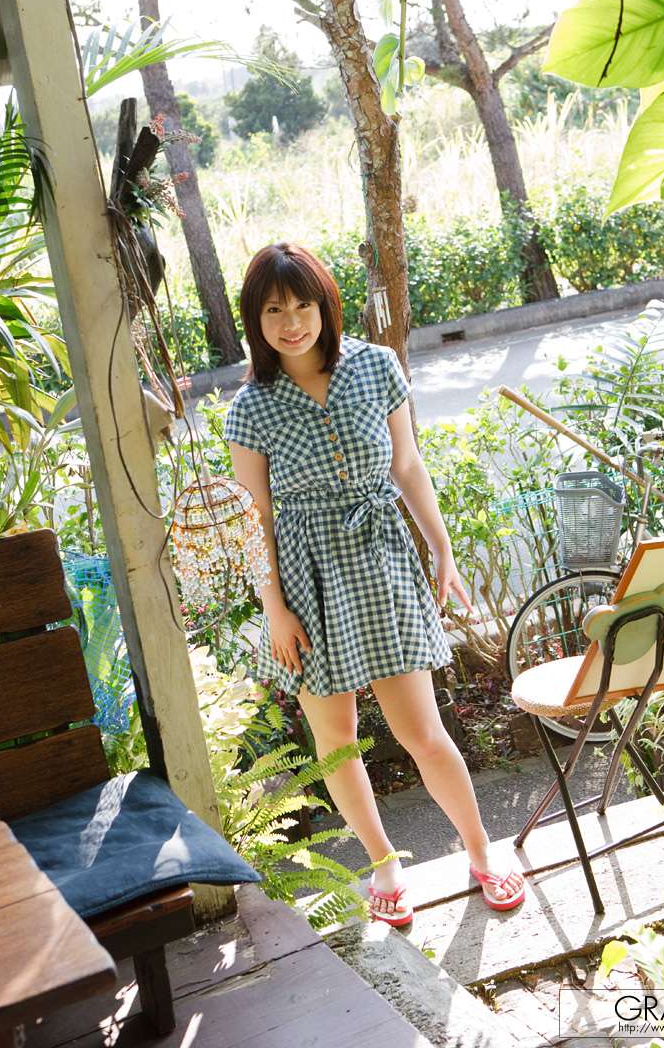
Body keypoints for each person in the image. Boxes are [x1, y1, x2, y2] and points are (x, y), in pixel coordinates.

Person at [224, 242, 525, 924]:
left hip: (381, 560)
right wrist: (274, 610)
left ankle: (482, 851)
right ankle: (384, 865)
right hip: (306, 579)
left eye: (303, 305)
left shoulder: (375, 366)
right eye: (274, 310)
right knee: (335, 740)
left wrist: (441, 547)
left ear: (325, 306)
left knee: (423, 731)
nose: (291, 323)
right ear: (255, 320)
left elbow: (407, 464)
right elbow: (255, 521)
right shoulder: (250, 409)